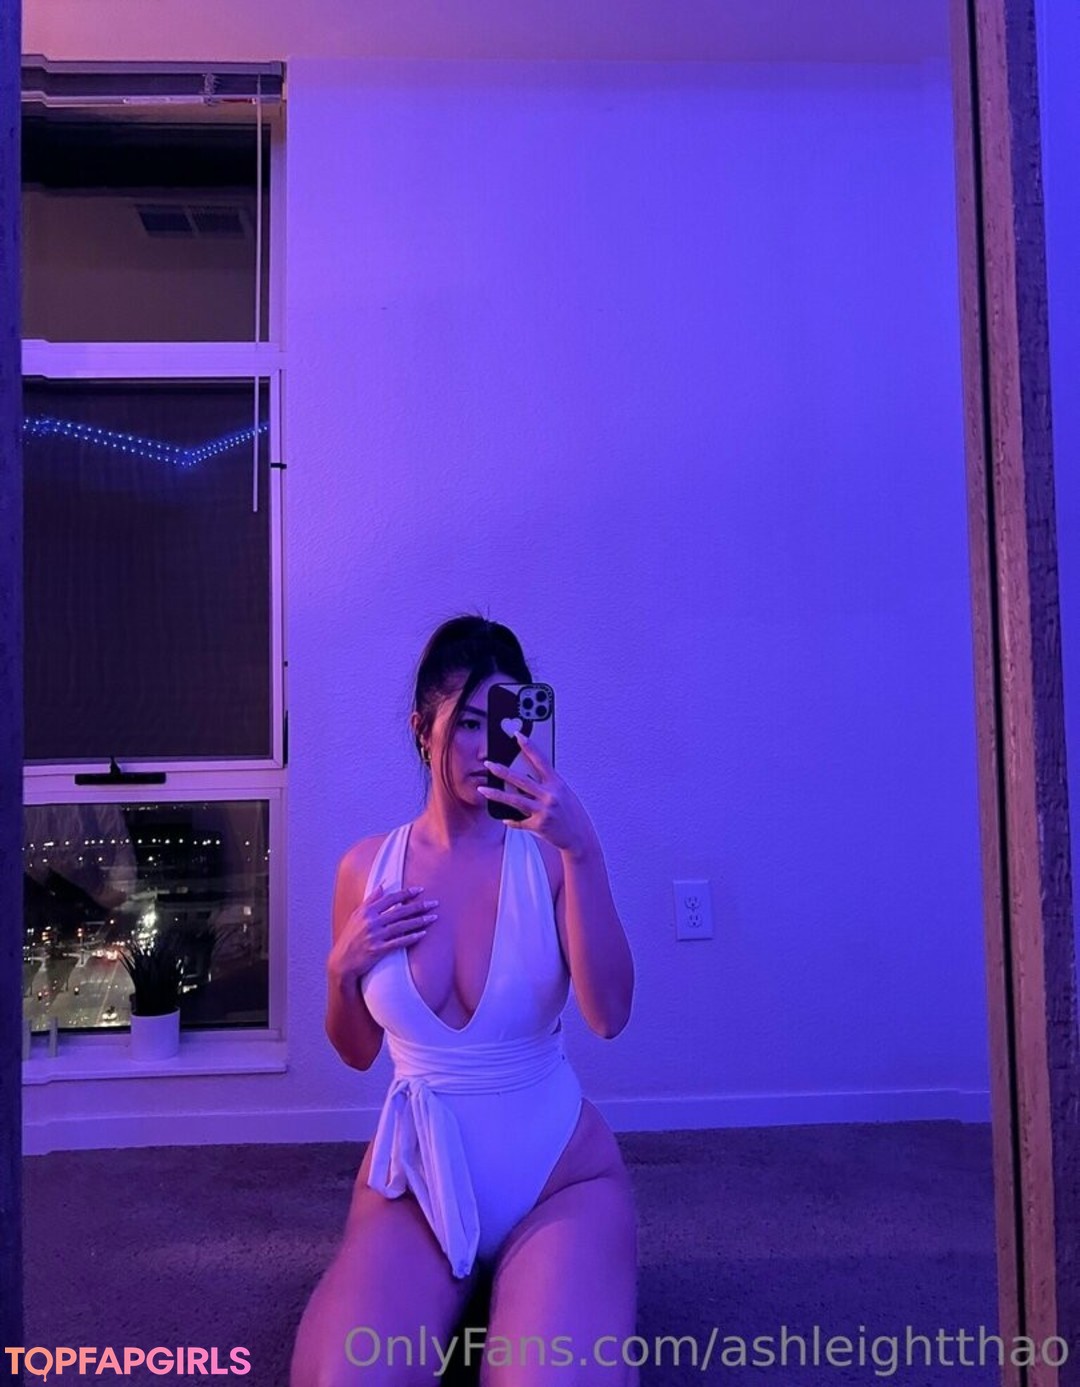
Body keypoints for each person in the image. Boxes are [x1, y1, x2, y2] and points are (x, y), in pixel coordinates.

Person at [290, 614, 639, 1386]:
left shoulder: (551, 858)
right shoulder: (365, 869)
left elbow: (609, 1014)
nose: (489, 747)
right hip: (419, 1179)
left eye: (507, 722)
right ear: (424, 730)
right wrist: (340, 970)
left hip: (558, 1179)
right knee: (348, 1379)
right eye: (469, 723)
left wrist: (584, 848)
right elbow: (356, 1051)